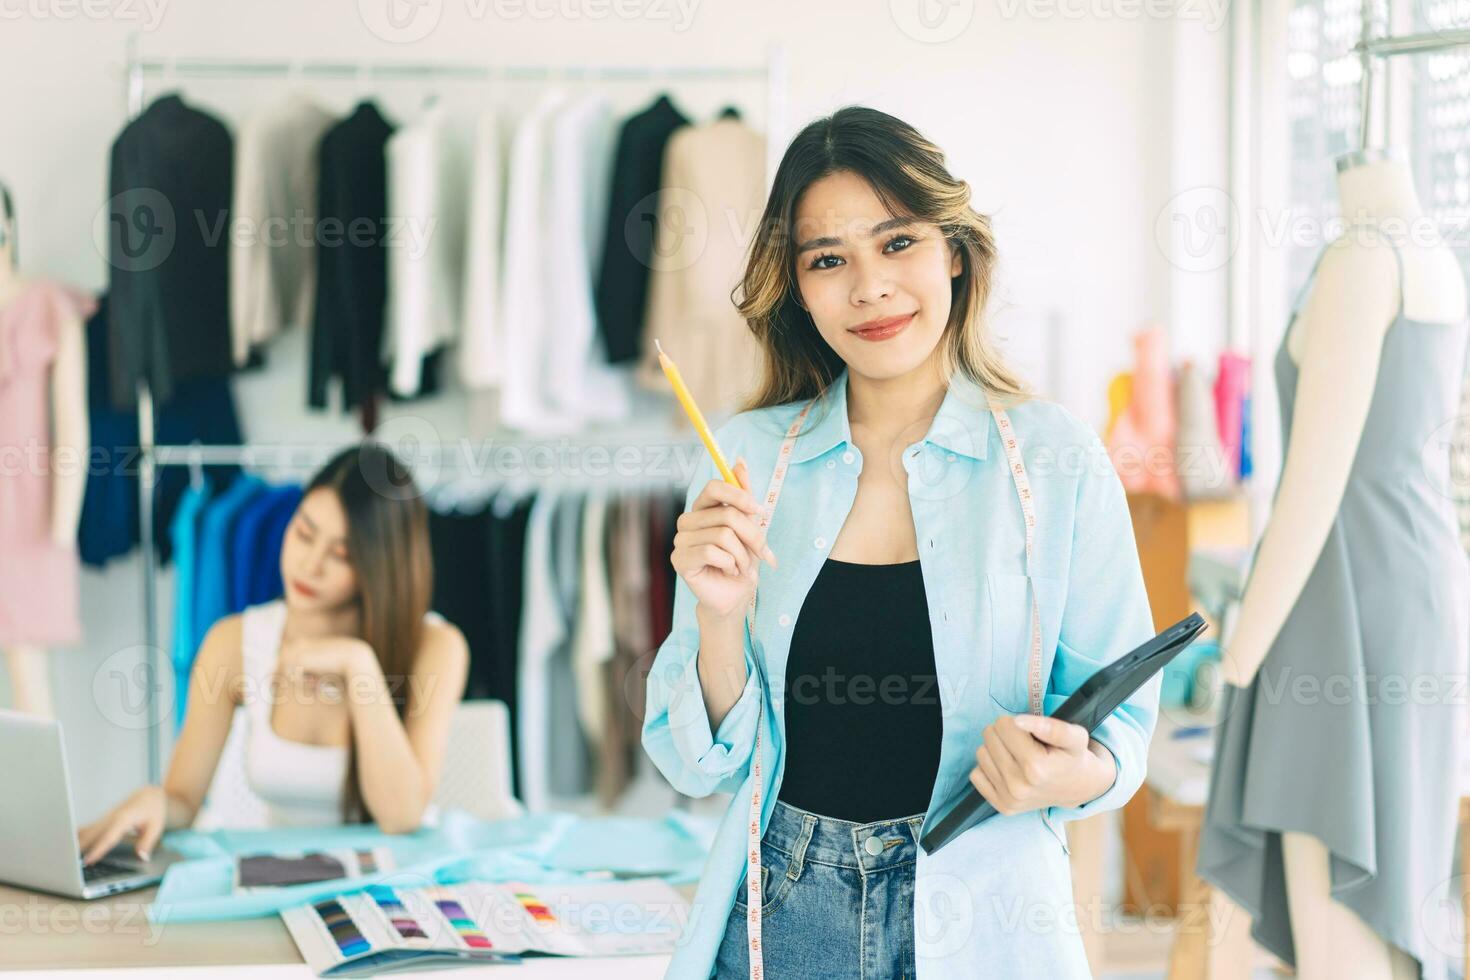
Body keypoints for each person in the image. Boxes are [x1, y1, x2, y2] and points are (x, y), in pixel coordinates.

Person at [641, 106, 1159, 978]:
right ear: (798, 286)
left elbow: (1124, 734)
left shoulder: (1056, 459)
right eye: (828, 259)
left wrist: (1066, 776)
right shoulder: (748, 460)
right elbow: (699, 765)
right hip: (783, 912)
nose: (869, 288)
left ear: (953, 249)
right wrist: (718, 618)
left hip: (992, 915)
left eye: (897, 243)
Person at [79, 442, 469, 863]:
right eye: (303, 533)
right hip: (283, 886)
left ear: (379, 568)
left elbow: (402, 816)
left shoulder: (436, 647)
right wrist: (156, 801)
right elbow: (184, 799)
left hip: (394, 888)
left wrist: (359, 667)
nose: (309, 564)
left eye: (340, 555)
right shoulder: (233, 642)